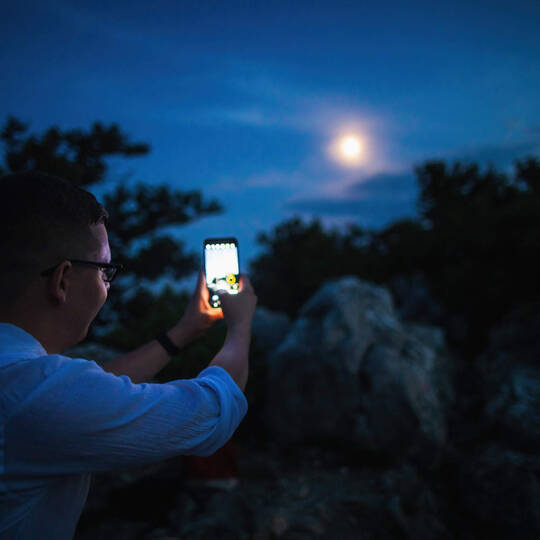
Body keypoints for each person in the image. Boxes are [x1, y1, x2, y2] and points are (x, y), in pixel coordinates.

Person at [0, 171, 257, 539]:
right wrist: (241, 325)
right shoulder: (31, 397)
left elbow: (92, 386)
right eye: (105, 271)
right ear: (62, 280)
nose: (108, 286)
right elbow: (211, 412)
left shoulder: (23, 380)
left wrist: (186, 330)